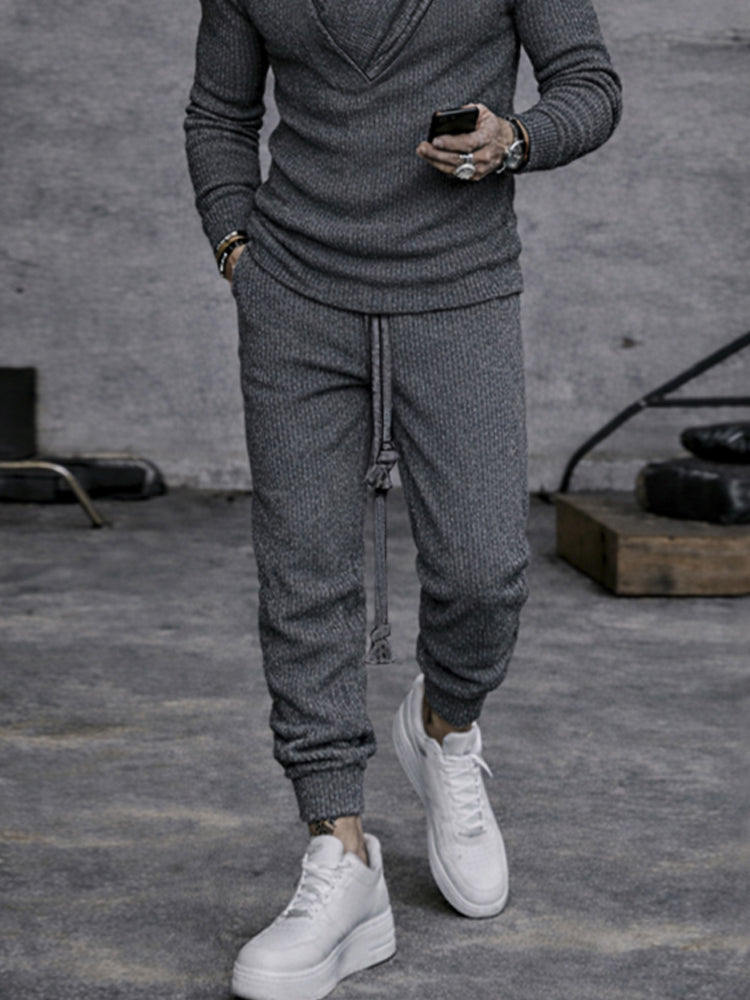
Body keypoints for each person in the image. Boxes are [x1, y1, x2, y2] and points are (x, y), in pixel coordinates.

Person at [184, 1, 621, 997]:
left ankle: (445, 728)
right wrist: (235, 246)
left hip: (460, 285)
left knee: (483, 569)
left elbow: (592, 86)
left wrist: (515, 140)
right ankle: (340, 850)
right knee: (304, 573)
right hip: (295, 290)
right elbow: (219, 113)